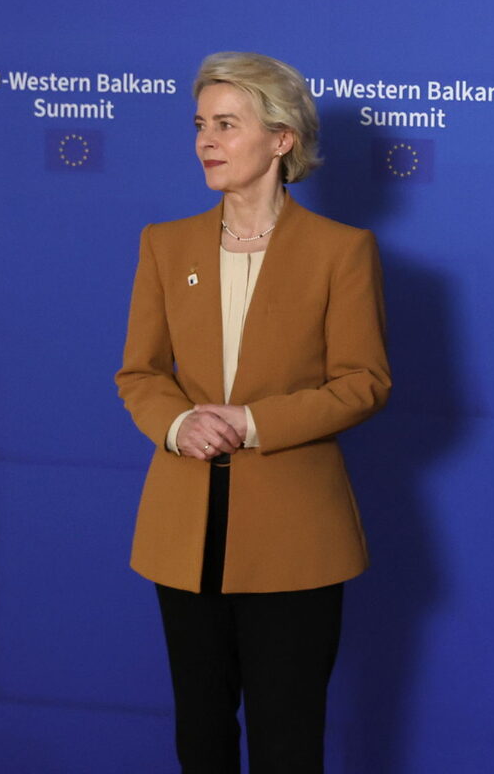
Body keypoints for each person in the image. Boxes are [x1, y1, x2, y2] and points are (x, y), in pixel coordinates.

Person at [117, 52, 390, 773]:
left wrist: (252, 424)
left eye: (226, 124)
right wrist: (179, 424)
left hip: (297, 537)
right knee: (201, 736)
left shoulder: (343, 251)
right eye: (200, 125)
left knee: (287, 743)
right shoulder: (164, 244)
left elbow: (364, 383)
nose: (206, 141)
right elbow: (140, 374)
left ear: (281, 138)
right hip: (184, 533)